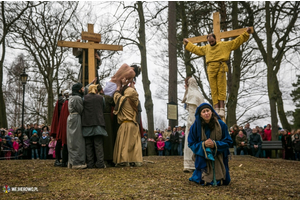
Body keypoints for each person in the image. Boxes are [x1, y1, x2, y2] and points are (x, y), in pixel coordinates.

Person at [183, 28, 251, 117]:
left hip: (221, 67)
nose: (210, 42)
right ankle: (216, 107)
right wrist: (188, 44)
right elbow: (197, 49)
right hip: (211, 68)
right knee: (214, 89)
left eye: (211, 40)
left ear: (215, 39)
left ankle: (222, 108)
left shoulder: (223, 45)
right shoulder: (206, 48)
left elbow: (236, 42)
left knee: (221, 88)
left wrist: (246, 34)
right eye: (209, 41)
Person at [188, 103, 232, 186]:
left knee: (225, 181)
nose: (206, 113)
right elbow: (191, 143)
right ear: (200, 115)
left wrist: (215, 144)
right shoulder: (195, 127)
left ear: (212, 112)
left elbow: (228, 141)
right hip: (202, 156)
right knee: (201, 179)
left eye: (208, 111)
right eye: (203, 112)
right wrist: (203, 144)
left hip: (218, 156)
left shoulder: (221, 125)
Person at [113, 81, 143, 167]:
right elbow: (135, 94)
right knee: (134, 145)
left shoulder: (123, 100)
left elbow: (116, 97)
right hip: (134, 125)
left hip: (126, 125)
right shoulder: (135, 101)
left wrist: (118, 87)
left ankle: (124, 160)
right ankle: (134, 160)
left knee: (124, 144)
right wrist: (131, 86)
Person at [182, 76, 204, 172]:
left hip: (194, 122)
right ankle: (197, 163)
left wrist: (191, 125)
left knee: (190, 142)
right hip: (200, 122)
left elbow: (192, 112)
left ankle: (190, 165)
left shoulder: (192, 95)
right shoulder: (199, 94)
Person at [82, 84, 107, 169]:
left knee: (88, 145)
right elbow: (103, 107)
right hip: (98, 123)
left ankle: (90, 164)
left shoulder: (84, 98)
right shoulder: (101, 98)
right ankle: (100, 163)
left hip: (87, 124)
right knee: (98, 144)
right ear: (96, 90)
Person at [67, 83, 87, 169]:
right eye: (82, 88)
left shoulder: (71, 97)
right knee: (77, 140)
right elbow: (80, 109)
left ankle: (71, 161)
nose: (83, 90)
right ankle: (77, 162)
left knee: (71, 140)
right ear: (79, 90)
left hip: (71, 118)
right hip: (76, 118)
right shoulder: (77, 98)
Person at [98, 84, 118, 166]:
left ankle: (100, 158)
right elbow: (115, 104)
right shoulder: (107, 98)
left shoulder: (95, 98)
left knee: (99, 139)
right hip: (106, 118)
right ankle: (109, 157)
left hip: (98, 119)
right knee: (108, 138)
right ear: (102, 90)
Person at [55, 90, 70, 167]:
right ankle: (62, 160)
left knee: (61, 141)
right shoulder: (64, 102)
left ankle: (60, 160)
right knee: (62, 141)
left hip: (62, 122)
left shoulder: (62, 101)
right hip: (63, 123)